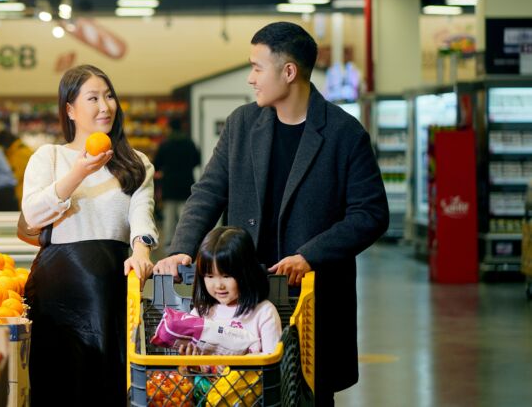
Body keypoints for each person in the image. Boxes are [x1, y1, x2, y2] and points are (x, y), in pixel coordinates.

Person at [154, 22, 388, 404]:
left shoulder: (345, 135)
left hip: (310, 299)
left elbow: (371, 213)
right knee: (238, 392)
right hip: (242, 295)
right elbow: (208, 191)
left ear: (289, 71)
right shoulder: (242, 125)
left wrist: (310, 255)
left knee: (306, 393)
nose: (251, 78)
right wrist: (182, 247)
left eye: (257, 67)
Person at [20, 65, 157, 405]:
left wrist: (141, 252)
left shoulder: (136, 162)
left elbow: (142, 215)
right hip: (57, 287)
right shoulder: (48, 157)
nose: (105, 106)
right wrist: (79, 171)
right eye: (93, 98)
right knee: (57, 383)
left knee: (107, 380)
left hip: (109, 286)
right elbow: (33, 214)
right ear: (70, 109)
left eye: (109, 96)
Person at [152, 226, 281, 357]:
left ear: (247, 273)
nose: (219, 285)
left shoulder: (264, 313)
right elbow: (188, 372)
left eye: (226, 276)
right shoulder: (200, 312)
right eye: (210, 276)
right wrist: (190, 365)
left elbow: (273, 364)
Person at [153, 116, 201, 258]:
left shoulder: (165, 144)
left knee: (169, 217)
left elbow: (157, 164)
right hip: (186, 184)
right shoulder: (189, 143)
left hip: (170, 185)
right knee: (185, 216)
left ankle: (169, 244)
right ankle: (185, 245)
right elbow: (197, 161)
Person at [0, 129, 33, 206]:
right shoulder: (15, 151)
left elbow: (15, 176)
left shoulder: (20, 153)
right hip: (23, 193)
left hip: (24, 194)